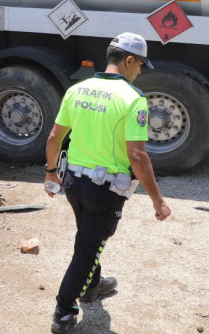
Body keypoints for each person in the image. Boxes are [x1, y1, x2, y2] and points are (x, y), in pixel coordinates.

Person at [44, 32, 171, 333]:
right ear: (129, 60)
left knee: (88, 238)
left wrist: (51, 172)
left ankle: (93, 285)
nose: (140, 71)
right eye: (140, 65)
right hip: (105, 191)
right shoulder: (133, 99)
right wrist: (158, 200)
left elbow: (54, 137)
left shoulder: (78, 89)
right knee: (87, 249)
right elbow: (137, 157)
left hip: (73, 184)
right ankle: (64, 310)